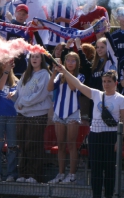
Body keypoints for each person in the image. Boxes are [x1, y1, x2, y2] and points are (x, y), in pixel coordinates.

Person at [54, 67, 124, 198]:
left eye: (109, 81)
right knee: (96, 169)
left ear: (115, 83)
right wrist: (64, 72)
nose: (106, 84)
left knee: (110, 169)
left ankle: (109, 195)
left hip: (111, 136)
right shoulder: (96, 94)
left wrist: (120, 139)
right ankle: (96, 195)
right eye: (104, 81)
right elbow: (78, 84)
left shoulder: (121, 99)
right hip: (95, 135)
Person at [8, 53, 53, 183]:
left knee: (34, 144)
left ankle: (34, 175)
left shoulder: (45, 74)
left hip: (37, 114)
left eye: (37, 57)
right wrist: (14, 95)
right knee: (22, 144)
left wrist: (22, 102)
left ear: (42, 59)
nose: (34, 59)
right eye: (32, 57)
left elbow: (40, 94)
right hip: (22, 114)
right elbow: (20, 90)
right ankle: (23, 174)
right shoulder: (25, 74)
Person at [47, 52, 85, 184]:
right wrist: (53, 72)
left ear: (77, 63)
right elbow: (49, 88)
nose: (70, 63)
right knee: (61, 145)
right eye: (67, 60)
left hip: (73, 112)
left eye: (73, 60)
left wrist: (63, 71)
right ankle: (61, 173)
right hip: (59, 113)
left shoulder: (80, 76)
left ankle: (72, 174)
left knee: (71, 144)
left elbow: (73, 87)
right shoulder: (59, 75)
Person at [0, 60, 18, 182]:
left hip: (13, 116)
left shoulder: (16, 81)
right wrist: (6, 72)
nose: (5, 64)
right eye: (3, 62)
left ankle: (12, 173)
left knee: (12, 146)